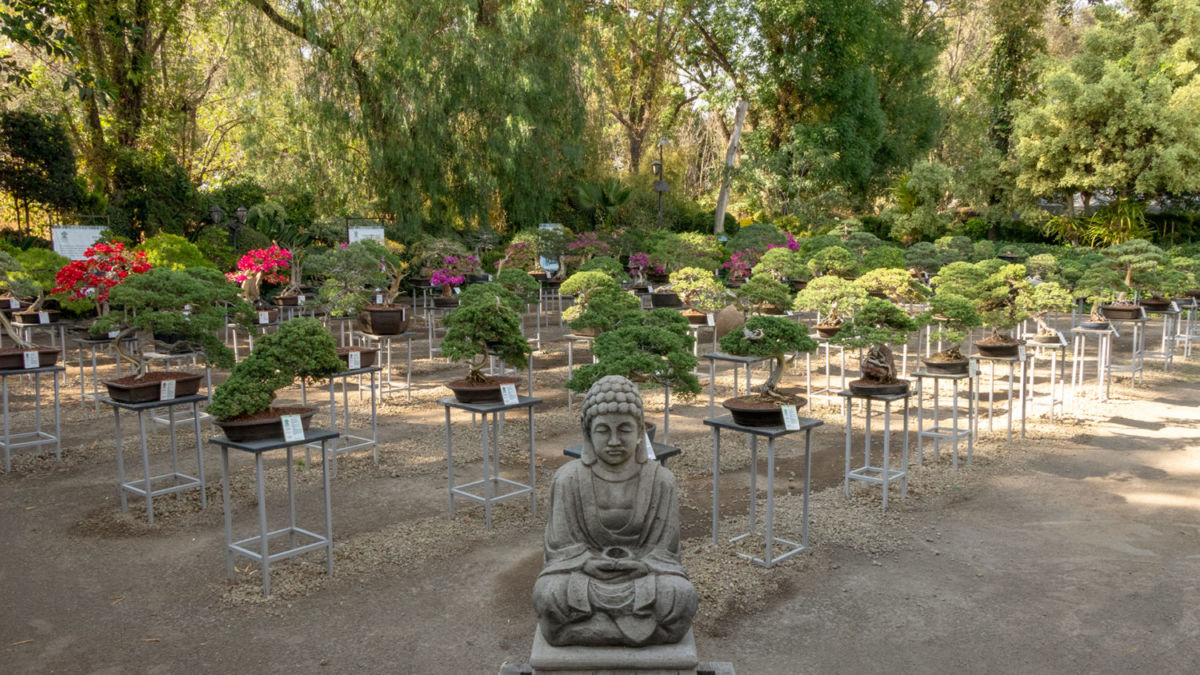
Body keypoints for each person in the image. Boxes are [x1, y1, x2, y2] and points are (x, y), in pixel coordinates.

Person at [533, 376, 697, 647]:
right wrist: (586, 563)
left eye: (624, 429)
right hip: (585, 574)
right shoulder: (568, 479)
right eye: (602, 430)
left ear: (640, 432)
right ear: (588, 432)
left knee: (681, 596)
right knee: (549, 595)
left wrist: (642, 564)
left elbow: (666, 552)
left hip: (643, 573)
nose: (613, 441)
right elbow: (560, 548)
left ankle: (584, 631)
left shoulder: (661, 480)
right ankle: (642, 631)